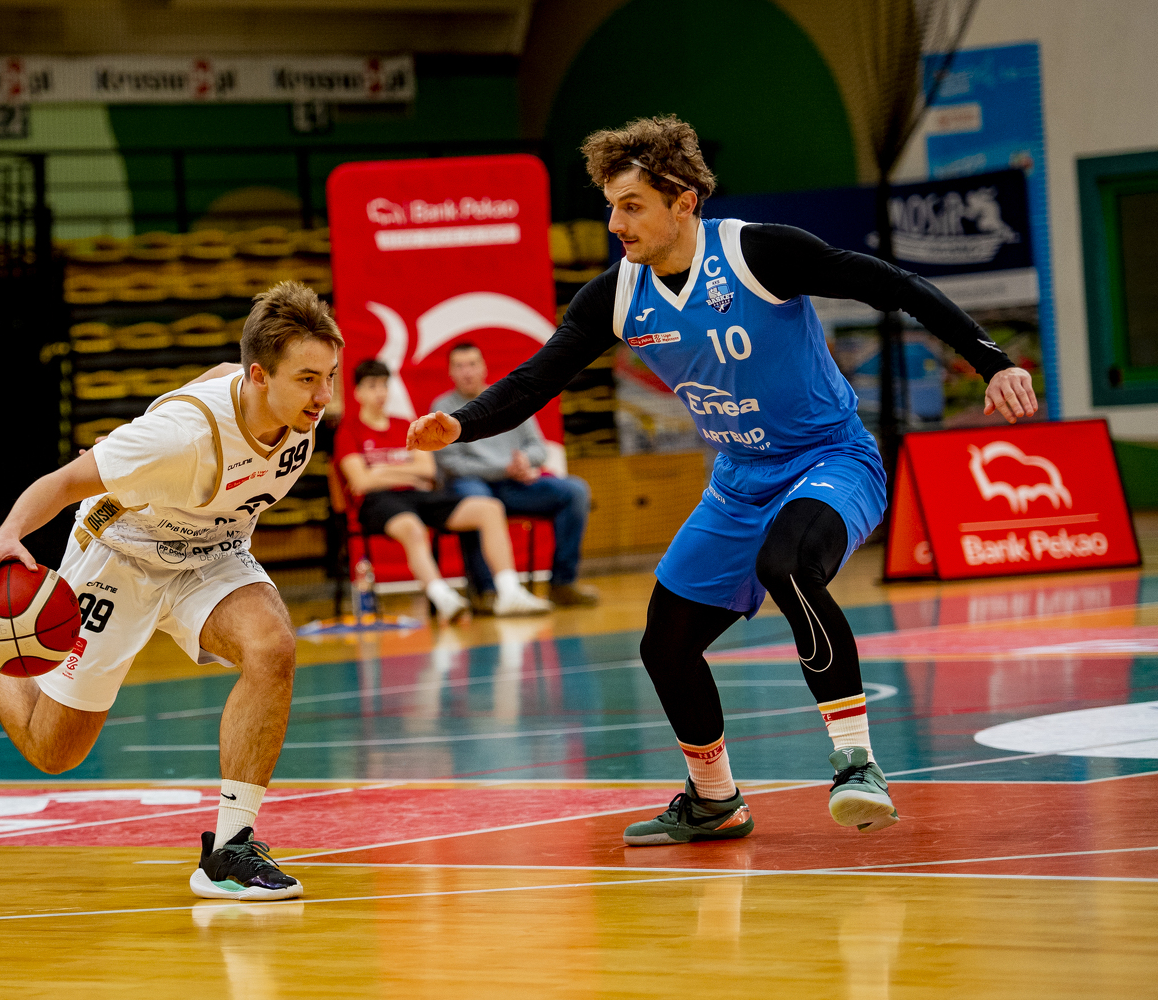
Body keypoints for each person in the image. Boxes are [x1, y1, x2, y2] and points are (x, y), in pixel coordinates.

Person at [408, 116, 1038, 845]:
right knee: (664, 645)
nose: (615, 224)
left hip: (830, 460)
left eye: (631, 205)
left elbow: (893, 285)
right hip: (738, 482)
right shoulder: (618, 295)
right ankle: (715, 800)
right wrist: (461, 424)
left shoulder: (757, 254)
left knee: (787, 566)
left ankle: (857, 765)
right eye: (610, 206)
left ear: (684, 202)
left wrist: (992, 361)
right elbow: (534, 380)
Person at [0, 281, 345, 901]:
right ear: (260, 376)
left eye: (329, 377)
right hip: (122, 556)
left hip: (211, 553)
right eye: (307, 379)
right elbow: (63, 483)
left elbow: (215, 376)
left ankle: (229, 851)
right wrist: (3, 540)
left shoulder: (288, 411)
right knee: (53, 751)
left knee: (272, 647)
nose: (323, 396)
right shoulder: (177, 439)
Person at [336, 358, 551, 622]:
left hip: (420, 496)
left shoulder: (404, 424)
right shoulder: (349, 430)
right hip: (377, 502)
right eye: (372, 386)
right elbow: (361, 482)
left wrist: (381, 472)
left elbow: (428, 470)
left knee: (490, 508)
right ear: (357, 392)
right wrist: (404, 473)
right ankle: (445, 599)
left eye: (383, 385)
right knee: (413, 528)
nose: (379, 392)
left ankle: (510, 593)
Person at [432, 342, 599, 610]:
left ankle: (563, 584)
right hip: (471, 485)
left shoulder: (507, 399)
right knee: (478, 501)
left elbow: (538, 448)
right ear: (450, 372)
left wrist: (525, 461)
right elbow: (452, 464)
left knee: (575, 491)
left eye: (472, 364)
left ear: (484, 367)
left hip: (513, 485)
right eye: (460, 366)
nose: (467, 372)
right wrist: (503, 468)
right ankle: (487, 592)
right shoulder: (442, 408)